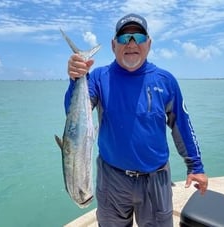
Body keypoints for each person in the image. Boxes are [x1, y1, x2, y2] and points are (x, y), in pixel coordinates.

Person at [65, 13, 208, 227]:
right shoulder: (97, 78)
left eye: (139, 37)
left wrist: (195, 166)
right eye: (124, 38)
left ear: (149, 44)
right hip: (111, 178)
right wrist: (76, 79)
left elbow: (181, 124)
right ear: (114, 45)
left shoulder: (165, 80)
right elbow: (73, 118)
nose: (131, 43)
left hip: (155, 180)